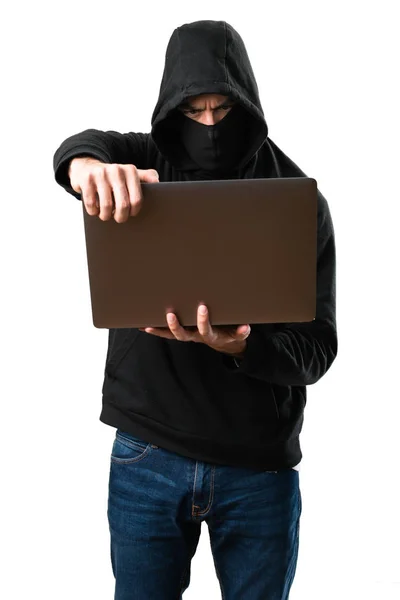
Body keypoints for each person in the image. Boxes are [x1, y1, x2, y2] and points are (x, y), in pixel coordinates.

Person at [53, 19, 337, 600]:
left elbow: (318, 348)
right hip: (146, 453)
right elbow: (78, 148)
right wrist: (86, 170)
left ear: (248, 102)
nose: (208, 125)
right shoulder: (146, 157)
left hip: (258, 466)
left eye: (222, 110)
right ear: (172, 105)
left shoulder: (298, 198)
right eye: (194, 110)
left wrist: (243, 347)